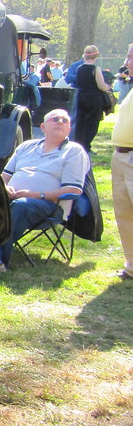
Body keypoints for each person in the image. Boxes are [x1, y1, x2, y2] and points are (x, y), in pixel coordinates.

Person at [0, 109, 90, 273]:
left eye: (64, 121)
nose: (60, 122)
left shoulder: (73, 151)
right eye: (55, 119)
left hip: (50, 207)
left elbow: (73, 189)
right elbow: (4, 176)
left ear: (69, 129)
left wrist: (35, 195)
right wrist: (4, 187)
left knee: (20, 205)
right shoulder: (26, 146)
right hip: (13, 197)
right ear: (43, 127)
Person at [71, 44, 115, 152]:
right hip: (94, 98)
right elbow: (101, 85)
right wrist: (107, 87)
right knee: (92, 123)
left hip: (81, 97)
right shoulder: (95, 69)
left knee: (81, 122)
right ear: (95, 56)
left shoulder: (79, 68)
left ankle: (80, 144)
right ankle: (87, 145)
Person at [110, 88, 133, 280]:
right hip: (121, 156)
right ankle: (132, 266)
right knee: (124, 213)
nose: (127, 63)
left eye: (131, 57)